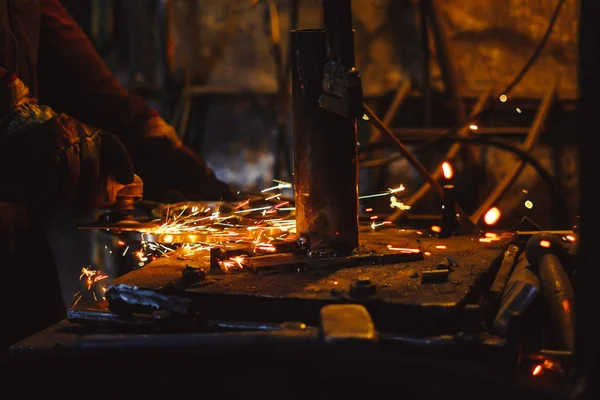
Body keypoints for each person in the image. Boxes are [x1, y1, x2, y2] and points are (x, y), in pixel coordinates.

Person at [0, 0, 233, 353]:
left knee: (37, 362)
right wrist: (22, 119)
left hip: (16, 240)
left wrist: (154, 141)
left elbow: (65, 57)